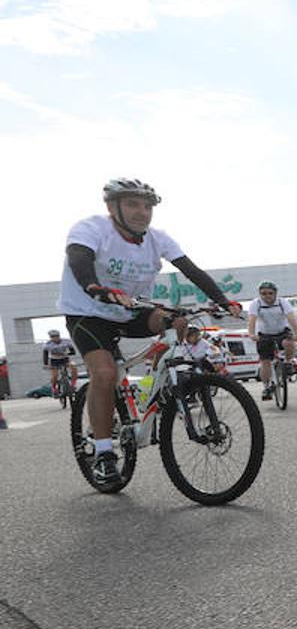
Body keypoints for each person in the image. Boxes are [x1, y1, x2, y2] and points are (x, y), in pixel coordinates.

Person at [59, 178, 242, 487]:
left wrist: (223, 300)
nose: (142, 212)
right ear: (112, 207)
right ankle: (103, 455)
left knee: (178, 321)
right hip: (88, 313)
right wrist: (96, 288)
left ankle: (166, 383)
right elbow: (79, 260)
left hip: (129, 311)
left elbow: (191, 270)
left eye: (147, 206)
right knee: (103, 374)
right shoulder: (90, 229)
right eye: (132, 204)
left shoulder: (157, 239)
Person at [246, 280, 297, 400]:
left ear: (275, 293)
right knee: (265, 362)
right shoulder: (256, 303)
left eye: (270, 293)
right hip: (264, 334)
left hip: (281, 332)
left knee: (289, 342)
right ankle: (266, 386)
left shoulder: (282, 302)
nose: (267, 296)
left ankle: (287, 363)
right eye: (263, 293)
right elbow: (252, 320)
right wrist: (251, 334)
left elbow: (290, 317)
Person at [41, 329, 78, 396]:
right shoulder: (47, 344)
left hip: (65, 359)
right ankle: (54, 388)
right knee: (55, 376)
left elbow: (73, 352)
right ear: (50, 338)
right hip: (54, 361)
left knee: (74, 368)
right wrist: (46, 364)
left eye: (57, 336)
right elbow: (45, 355)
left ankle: (73, 385)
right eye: (53, 337)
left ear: (59, 336)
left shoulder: (66, 342)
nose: (55, 338)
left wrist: (66, 353)